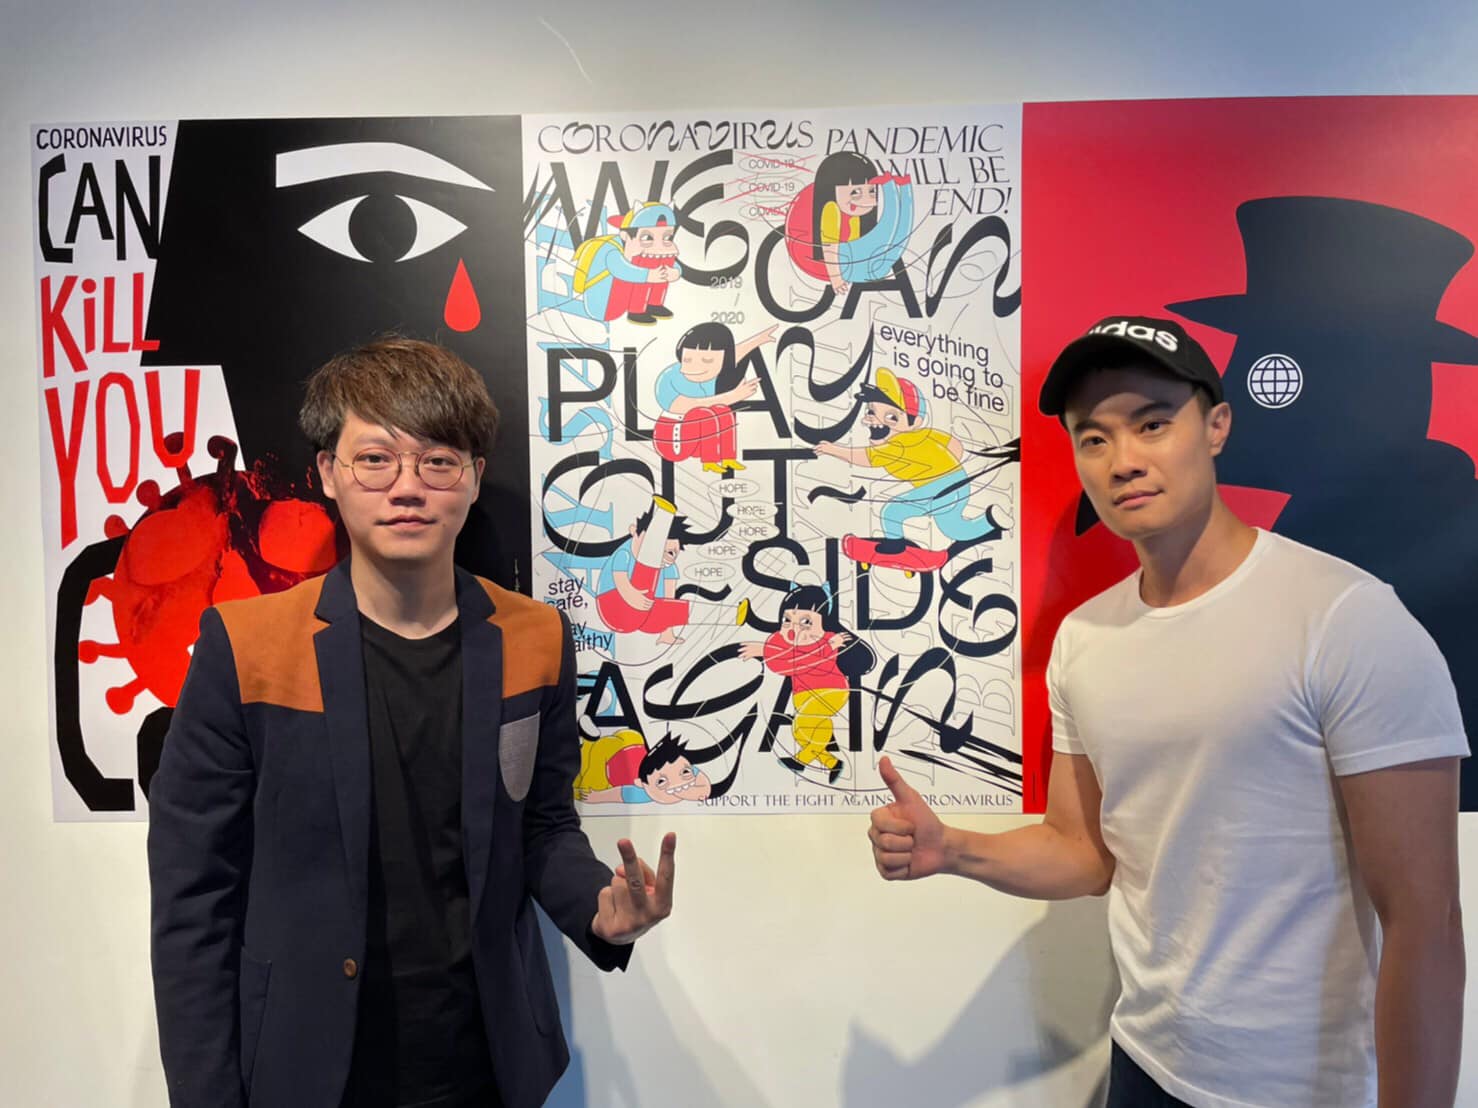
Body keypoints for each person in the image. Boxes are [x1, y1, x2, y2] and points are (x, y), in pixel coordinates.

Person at [868, 315, 1468, 1108]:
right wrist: (953, 849)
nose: (1124, 460)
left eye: (1153, 424)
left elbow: (1426, 919)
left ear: (1216, 427)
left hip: (1298, 1090)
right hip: (1145, 1063)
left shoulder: (1345, 617)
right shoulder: (1085, 638)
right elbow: (1083, 852)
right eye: (1094, 438)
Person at [148, 336, 678, 1108]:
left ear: (473, 478)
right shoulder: (245, 646)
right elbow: (194, 894)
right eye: (375, 459)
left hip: (486, 1064)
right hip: (305, 1069)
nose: (407, 488)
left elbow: (541, 827)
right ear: (327, 472)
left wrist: (601, 909)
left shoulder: (535, 637)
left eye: (438, 461)